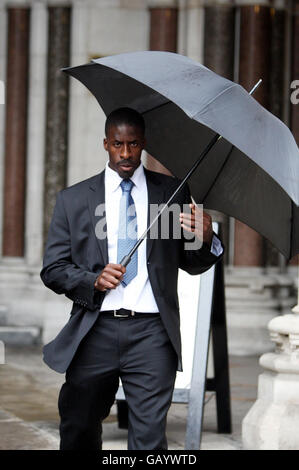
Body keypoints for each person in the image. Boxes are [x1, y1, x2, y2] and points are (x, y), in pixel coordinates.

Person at [40, 107, 224, 450]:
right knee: (78, 426)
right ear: (106, 143)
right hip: (95, 330)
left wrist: (207, 238)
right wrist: (92, 280)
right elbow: (53, 269)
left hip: (152, 335)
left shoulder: (171, 194)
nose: (126, 154)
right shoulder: (74, 200)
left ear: (143, 144)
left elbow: (191, 263)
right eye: (118, 144)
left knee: (150, 440)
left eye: (134, 144)